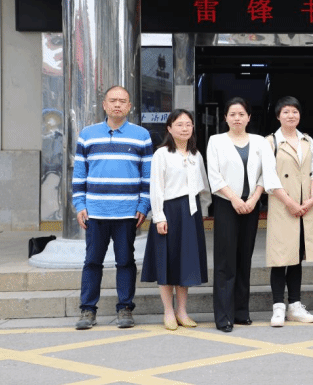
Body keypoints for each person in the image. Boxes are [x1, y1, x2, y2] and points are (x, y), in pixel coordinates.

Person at [72, 85, 152, 330]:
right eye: (113, 100)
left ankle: (125, 308)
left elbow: (148, 176)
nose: (117, 105)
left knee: (125, 261)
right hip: (95, 211)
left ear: (130, 106)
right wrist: (79, 204)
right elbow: (79, 174)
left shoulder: (141, 135)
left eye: (122, 101)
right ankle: (87, 310)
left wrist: (144, 204)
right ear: (104, 105)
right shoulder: (87, 134)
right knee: (92, 262)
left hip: (127, 212)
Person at [207, 97, 279, 332]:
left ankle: (240, 312)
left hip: (251, 205)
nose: (237, 118)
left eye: (241, 114)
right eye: (232, 114)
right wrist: (235, 199)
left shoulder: (260, 142)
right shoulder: (216, 141)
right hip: (226, 205)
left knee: (244, 259)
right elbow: (214, 175)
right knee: (225, 261)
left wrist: (254, 199)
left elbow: (267, 173)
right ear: (225, 118)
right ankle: (223, 316)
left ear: (249, 117)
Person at [141, 109, 211, 331]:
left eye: (188, 124)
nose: (184, 128)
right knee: (167, 262)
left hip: (191, 212)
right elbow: (156, 187)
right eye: (179, 124)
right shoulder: (161, 154)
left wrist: (203, 209)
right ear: (169, 128)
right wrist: (158, 216)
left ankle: (182, 311)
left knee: (185, 263)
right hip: (169, 212)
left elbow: (204, 185)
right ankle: (168, 311)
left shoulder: (196, 155)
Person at [264, 96, 313, 328]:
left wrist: (312, 198)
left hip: (305, 205)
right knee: (280, 258)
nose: (291, 115)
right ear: (278, 116)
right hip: (282, 206)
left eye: (295, 111)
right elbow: (269, 177)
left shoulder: (307, 140)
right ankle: (278, 307)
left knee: (297, 257)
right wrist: (290, 203)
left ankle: (295, 306)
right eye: (286, 112)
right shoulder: (270, 142)